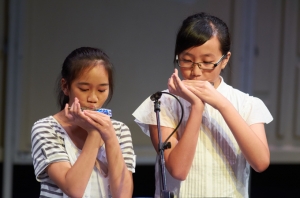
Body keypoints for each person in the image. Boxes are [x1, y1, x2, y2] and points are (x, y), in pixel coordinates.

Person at [133, 12, 273, 198]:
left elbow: (260, 162)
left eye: (207, 62)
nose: (195, 72)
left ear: (225, 60)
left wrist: (222, 104)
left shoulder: (247, 104)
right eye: (187, 60)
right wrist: (196, 108)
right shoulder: (161, 102)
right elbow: (178, 170)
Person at [31, 47, 136, 197]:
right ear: (65, 86)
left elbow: (124, 195)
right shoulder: (47, 128)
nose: (93, 98)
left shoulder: (119, 130)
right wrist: (94, 133)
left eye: (101, 90)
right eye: (84, 89)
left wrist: (110, 136)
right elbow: (73, 189)